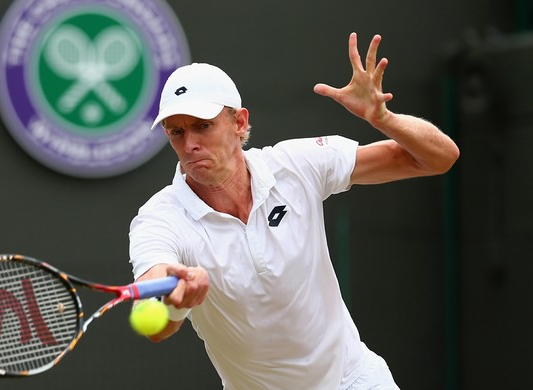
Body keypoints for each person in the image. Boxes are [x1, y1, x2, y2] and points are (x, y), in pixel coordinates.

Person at [128, 33, 459, 389]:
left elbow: (438, 158)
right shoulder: (159, 218)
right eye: (176, 132)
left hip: (354, 379)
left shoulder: (296, 165)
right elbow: (155, 312)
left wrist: (384, 119)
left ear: (239, 123)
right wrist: (177, 302)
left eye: (203, 126)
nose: (190, 144)